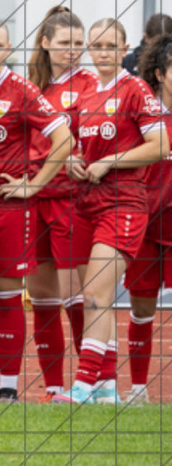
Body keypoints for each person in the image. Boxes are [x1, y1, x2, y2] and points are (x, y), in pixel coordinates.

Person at [0, 18, 73, 402]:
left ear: (8, 49)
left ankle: (8, 386)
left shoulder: (22, 90)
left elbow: (64, 137)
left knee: (8, 296)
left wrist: (35, 184)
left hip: (7, 206)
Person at [56, 19, 168, 404]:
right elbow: (71, 141)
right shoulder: (86, 92)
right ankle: (105, 388)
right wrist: (72, 159)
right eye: (97, 45)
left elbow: (159, 145)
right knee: (90, 295)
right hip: (88, 202)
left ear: (124, 50)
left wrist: (112, 162)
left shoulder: (135, 88)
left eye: (111, 45)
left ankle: (84, 385)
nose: (103, 51)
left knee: (97, 293)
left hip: (125, 202)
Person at [25, 6, 97, 402]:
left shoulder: (90, 83)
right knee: (42, 298)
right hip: (33, 200)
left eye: (78, 44)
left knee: (76, 296)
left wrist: (78, 152)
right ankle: (54, 386)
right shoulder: (30, 85)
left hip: (72, 201)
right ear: (46, 43)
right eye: (65, 43)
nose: (74, 51)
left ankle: (93, 383)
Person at [125, 33, 172, 404]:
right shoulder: (144, 113)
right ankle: (138, 390)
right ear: (160, 73)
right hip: (144, 227)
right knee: (142, 308)